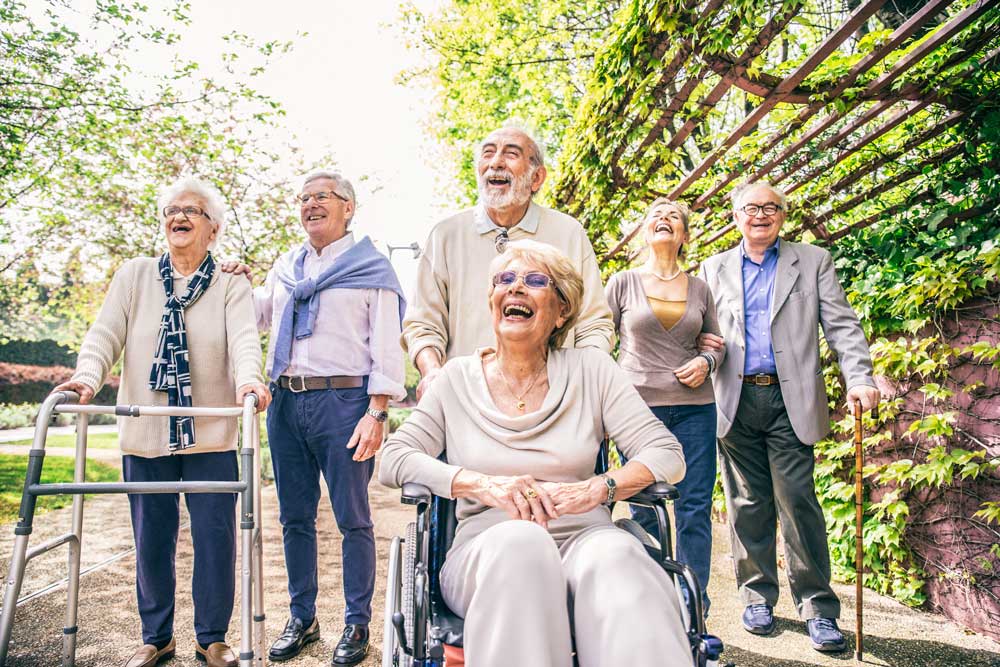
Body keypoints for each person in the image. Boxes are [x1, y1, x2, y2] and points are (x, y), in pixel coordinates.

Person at [381, 240, 690, 667]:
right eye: (504, 280)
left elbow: (666, 453)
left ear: (562, 310)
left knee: (619, 555)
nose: (515, 289)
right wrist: (482, 485)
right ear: (492, 302)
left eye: (535, 281)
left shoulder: (593, 371)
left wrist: (598, 490)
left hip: (585, 537)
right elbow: (395, 457)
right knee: (523, 544)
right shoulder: (456, 380)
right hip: (486, 550)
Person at [52, 178, 270, 667]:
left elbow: (243, 342)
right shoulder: (134, 275)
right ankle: (156, 636)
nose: (180, 216)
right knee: (152, 541)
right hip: (146, 433)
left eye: (192, 210)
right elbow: (105, 333)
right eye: (172, 209)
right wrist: (86, 379)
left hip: (209, 434)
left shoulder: (231, 283)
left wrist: (250, 383)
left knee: (216, 541)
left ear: (212, 229)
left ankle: (211, 637)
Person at [698, 181, 880, 652]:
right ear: (735, 215)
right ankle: (756, 596)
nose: (760, 214)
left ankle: (818, 607)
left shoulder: (812, 260)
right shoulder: (713, 267)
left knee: (798, 501)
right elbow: (702, 332)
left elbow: (841, 323)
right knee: (746, 504)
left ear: (783, 214)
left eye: (770, 207)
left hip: (789, 399)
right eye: (750, 207)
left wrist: (859, 376)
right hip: (734, 398)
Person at [250, 171, 406, 666]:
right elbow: (254, 314)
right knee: (294, 517)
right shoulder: (285, 267)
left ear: (347, 208)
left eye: (322, 196)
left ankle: (356, 623)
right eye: (304, 198)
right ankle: (303, 617)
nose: (311, 204)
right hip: (286, 403)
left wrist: (377, 412)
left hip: (345, 404)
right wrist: (228, 276)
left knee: (352, 518)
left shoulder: (371, 268)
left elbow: (386, 345)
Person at [402, 124, 615, 399]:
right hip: (466, 400)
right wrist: (432, 371)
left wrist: (586, 382)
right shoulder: (446, 234)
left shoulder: (568, 233)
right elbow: (423, 324)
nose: (495, 162)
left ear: (536, 178)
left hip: (552, 400)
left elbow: (593, 323)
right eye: (488, 153)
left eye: (511, 154)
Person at [604, 197, 724, 614]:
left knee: (694, 506)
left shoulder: (701, 289)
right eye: (655, 214)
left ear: (684, 235)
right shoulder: (621, 283)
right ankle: (651, 599)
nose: (664, 218)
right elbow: (600, 342)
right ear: (643, 232)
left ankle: (693, 604)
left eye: (674, 216)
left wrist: (706, 361)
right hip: (637, 410)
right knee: (645, 504)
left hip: (695, 408)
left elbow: (716, 344)